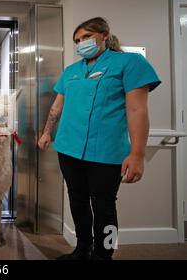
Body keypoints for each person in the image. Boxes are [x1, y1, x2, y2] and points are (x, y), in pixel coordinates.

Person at [37, 17, 161, 260]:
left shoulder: (129, 62)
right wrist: (46, 132)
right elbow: (56, 107)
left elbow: (138, 111)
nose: (81, 43)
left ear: (104, 35)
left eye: (86, 37)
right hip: (69, 148)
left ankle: (105, 255)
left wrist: (137, 154)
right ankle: (82, 249)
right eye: (77, 40)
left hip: (107, 151)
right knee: (77, 201)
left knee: (105, 207)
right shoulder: (71, 71)